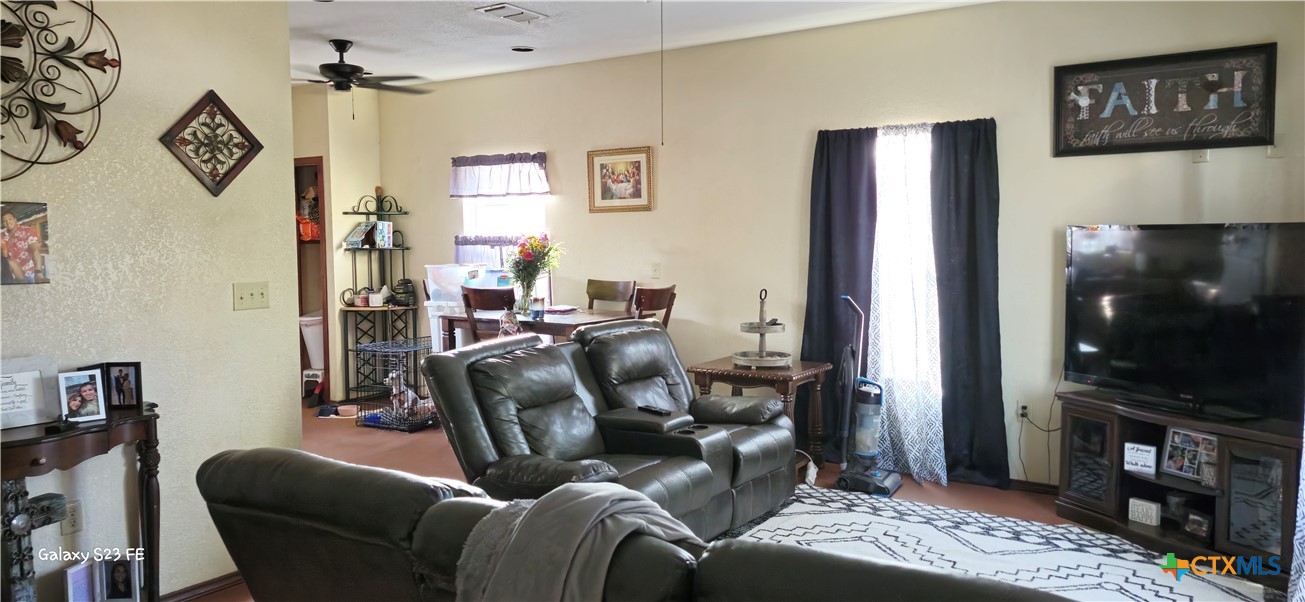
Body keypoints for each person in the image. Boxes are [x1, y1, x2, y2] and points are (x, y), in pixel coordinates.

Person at [1, 209, 44, 283]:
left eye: (10, 219)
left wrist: (38, 272)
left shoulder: (27, 231)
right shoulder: (2, 236)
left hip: (29, 272)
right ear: (2, 224)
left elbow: (35, 250)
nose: (7, 222)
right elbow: (3, 256)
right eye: (4, 221)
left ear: (15, 220)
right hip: (11, 274)